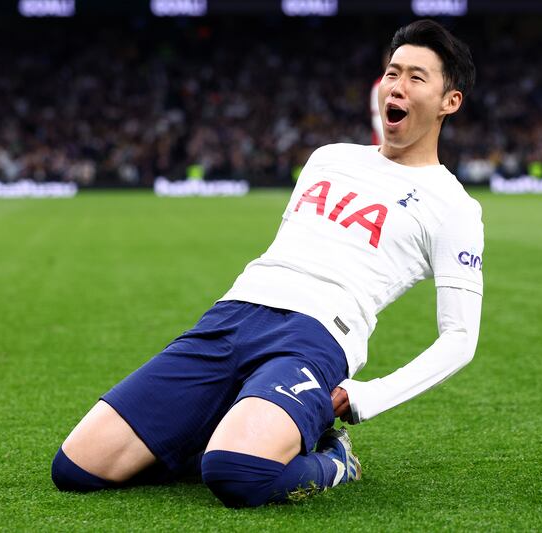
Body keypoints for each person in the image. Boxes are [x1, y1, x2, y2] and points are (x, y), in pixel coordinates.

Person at [51, 19, 482, 508]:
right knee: (78, 468)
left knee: (236, 474)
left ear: (450, 101)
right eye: (391, 73)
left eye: (416, 78)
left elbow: (461, 338)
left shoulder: (454, 207)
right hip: (232, 315)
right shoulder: (328, 158)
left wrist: (368, 396)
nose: (397, 87)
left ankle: (335, 458)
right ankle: (234, 427)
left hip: (315, 338)